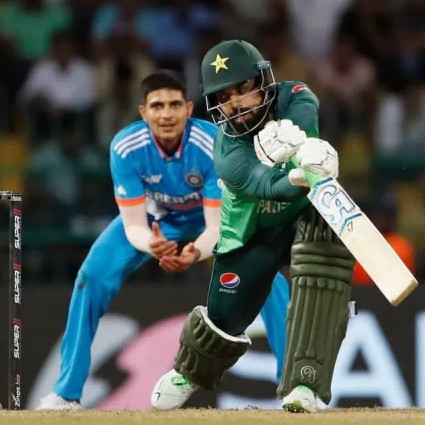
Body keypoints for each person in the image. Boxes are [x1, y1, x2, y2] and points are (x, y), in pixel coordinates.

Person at [36, 70, 289, 410]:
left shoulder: (214, 142)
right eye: (157, 106)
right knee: (90, 277)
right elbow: (133, 225)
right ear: (143, 112)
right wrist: (151, 245)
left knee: (267, 276)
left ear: (188, 109)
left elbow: (216, 226)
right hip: (155, 221)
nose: (166, 114)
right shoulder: (126, 147)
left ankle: (293, 385)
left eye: (174, 105)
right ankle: (67, 394)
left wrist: (193, 253)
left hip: (215, 217)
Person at [151, 40, 350, 413]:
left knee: (323, 266)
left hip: (306, 217)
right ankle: (190, 371)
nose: (236, 104)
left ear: (263, 81)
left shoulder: (294, 94)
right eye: (224, 97)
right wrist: (298, 174)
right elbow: (270, 186)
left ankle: (304, 385)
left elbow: (305, 110)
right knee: (224, 319)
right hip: (251, 230)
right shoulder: (227, 152)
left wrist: (309, 152)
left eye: (243, 89)